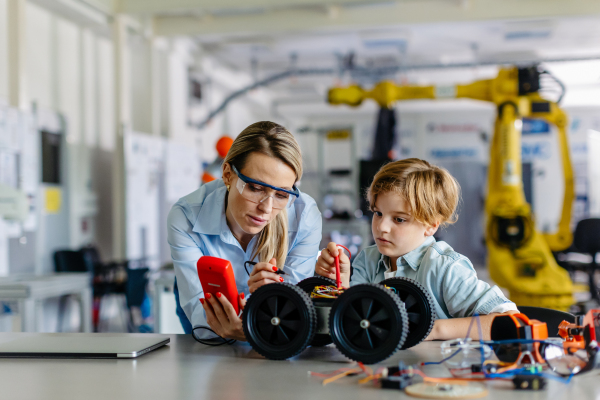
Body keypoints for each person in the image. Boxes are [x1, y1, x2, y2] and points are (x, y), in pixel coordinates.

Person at [315, 158, 518, 340]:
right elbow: (352, 321)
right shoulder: (367, 259)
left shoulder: (445, 267)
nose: (381, 227)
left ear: (431, 225)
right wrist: (339, 281)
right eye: (378, 213)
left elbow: (510, 321)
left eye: (399, 219)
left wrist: (430, 330)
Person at [168, 121, 322, 340]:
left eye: (281, 195)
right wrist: (255, 322)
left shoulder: (305, 218)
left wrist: (258, 313)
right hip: (210, 316)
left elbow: (292, 312)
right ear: (228, 174)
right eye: (256, 188)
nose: (267, 209)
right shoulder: (186, 216)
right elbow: (201, 314)